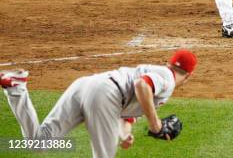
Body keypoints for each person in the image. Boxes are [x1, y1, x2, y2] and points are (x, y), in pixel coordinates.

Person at [0, 49, 197, 158]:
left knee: (38, 143)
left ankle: (16, 88)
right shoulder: (168, 80)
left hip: (87, 86)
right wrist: (156, 126)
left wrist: (125, 134)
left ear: (170, 63)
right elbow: (141, 86)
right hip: (107, 94)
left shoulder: (160, 74)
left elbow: (126, 114)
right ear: (188, 76)